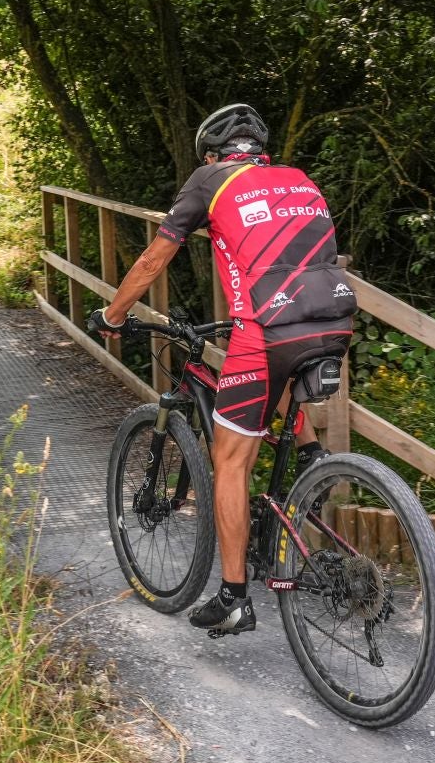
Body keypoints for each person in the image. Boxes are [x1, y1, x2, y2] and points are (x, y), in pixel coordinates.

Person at [86, 103, 356, 636]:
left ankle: (234, 597)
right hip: (334, 317)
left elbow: (153, 260)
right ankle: (310, 455)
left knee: (229, 462)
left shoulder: (209, 179)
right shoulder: (298, 179)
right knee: (276, 369)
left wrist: (113, 316)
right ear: (260, 151)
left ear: (212, 154)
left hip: (267, 327)